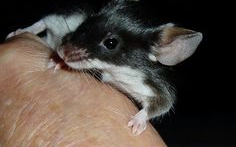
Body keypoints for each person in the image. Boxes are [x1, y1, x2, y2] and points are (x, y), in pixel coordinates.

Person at [0, 33, 167, 146]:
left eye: (110, 44)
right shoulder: (106, 66)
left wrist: (143, 115)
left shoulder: (143, 75)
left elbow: (163, 101)